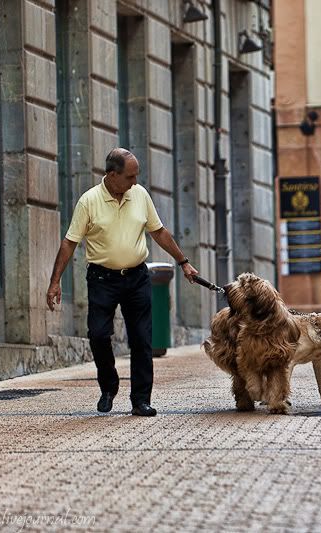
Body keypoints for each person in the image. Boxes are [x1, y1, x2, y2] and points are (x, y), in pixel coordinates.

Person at [46, 148, 199, 416]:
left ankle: (141, 400)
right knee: (98, 335)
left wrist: (183, 262)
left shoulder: (139, 195)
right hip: (102, 279)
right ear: (111, 175)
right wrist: (55, 281)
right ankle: (108, 386)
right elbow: (70, 242)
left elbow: (159, 232)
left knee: (142, 339)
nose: (135, 182)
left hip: (138, 277)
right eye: (130, 177)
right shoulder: (89, 201)